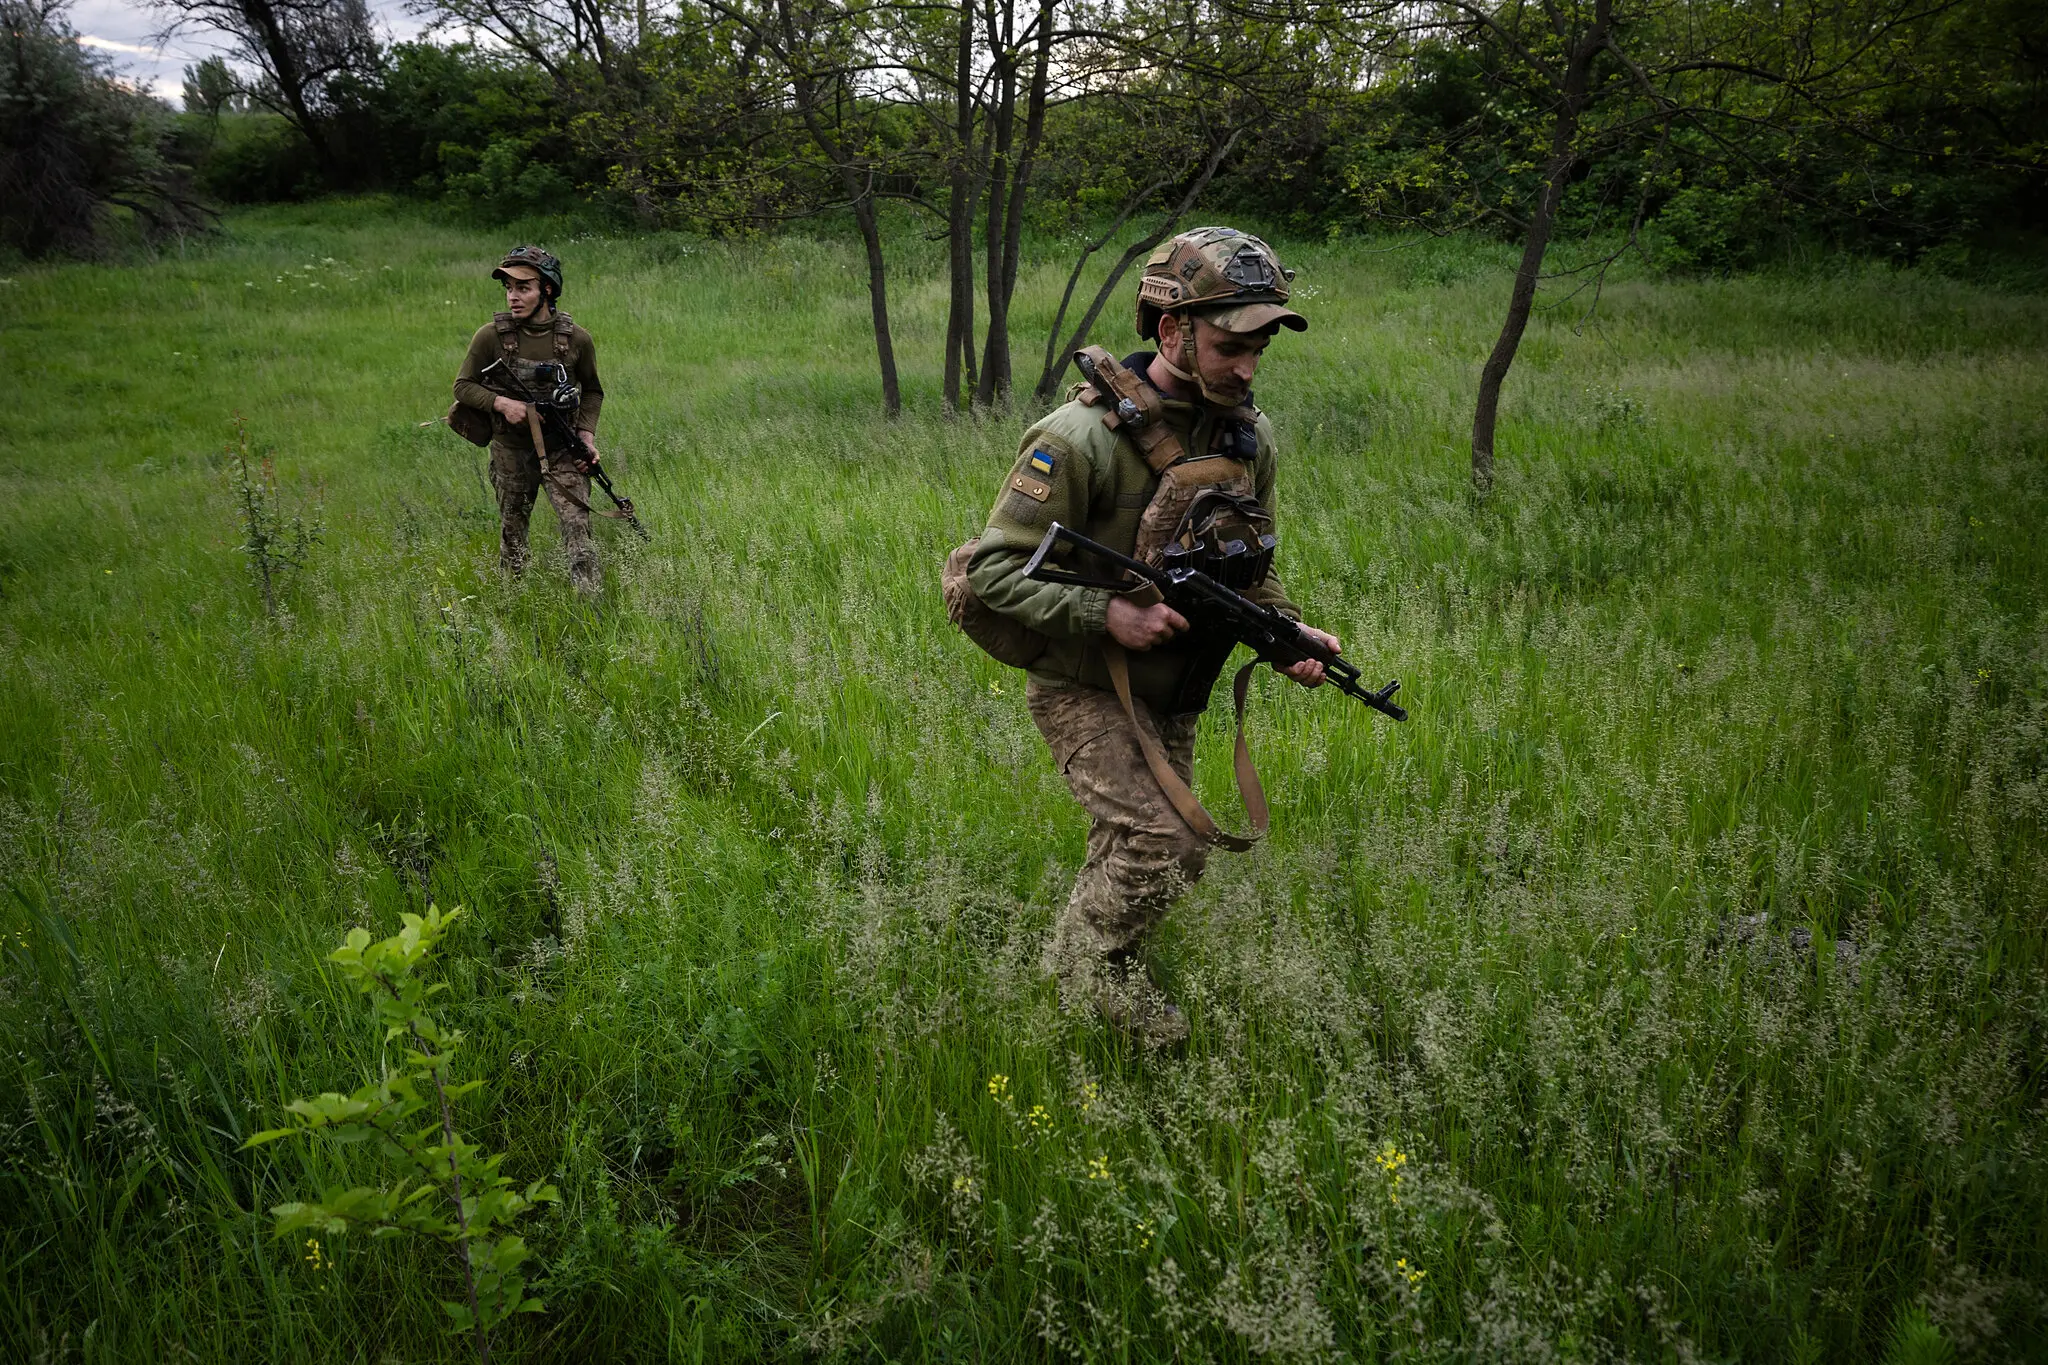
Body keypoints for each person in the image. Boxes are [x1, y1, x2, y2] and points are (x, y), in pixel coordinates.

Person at [964, 226, 1342, 1047]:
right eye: (1230, 344)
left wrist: (1286, 631)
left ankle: (1113, 977)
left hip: (1178, 686)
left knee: (1152, 848)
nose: (1248, 366)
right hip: (1082, 680)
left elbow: (1247, 563)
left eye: (1260, 346)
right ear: (1172, 331)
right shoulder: (1075, 439)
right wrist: (1110, 613)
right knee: (1166, 842)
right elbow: (989, 571)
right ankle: (1067, 981)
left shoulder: (1247, 439)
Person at [452, 246, 606, 594]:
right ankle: (514, 602)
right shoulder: (490, 336)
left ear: (547, 290)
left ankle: (592, 608)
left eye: (523, 288)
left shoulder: (576, 339)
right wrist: (501, 402)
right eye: (508, 288)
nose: (513, 297)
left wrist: (587, 435)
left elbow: (593, 391)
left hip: (562, 450)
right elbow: (463, 387)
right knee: (513, 534)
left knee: (578, 530)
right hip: (512, 451)